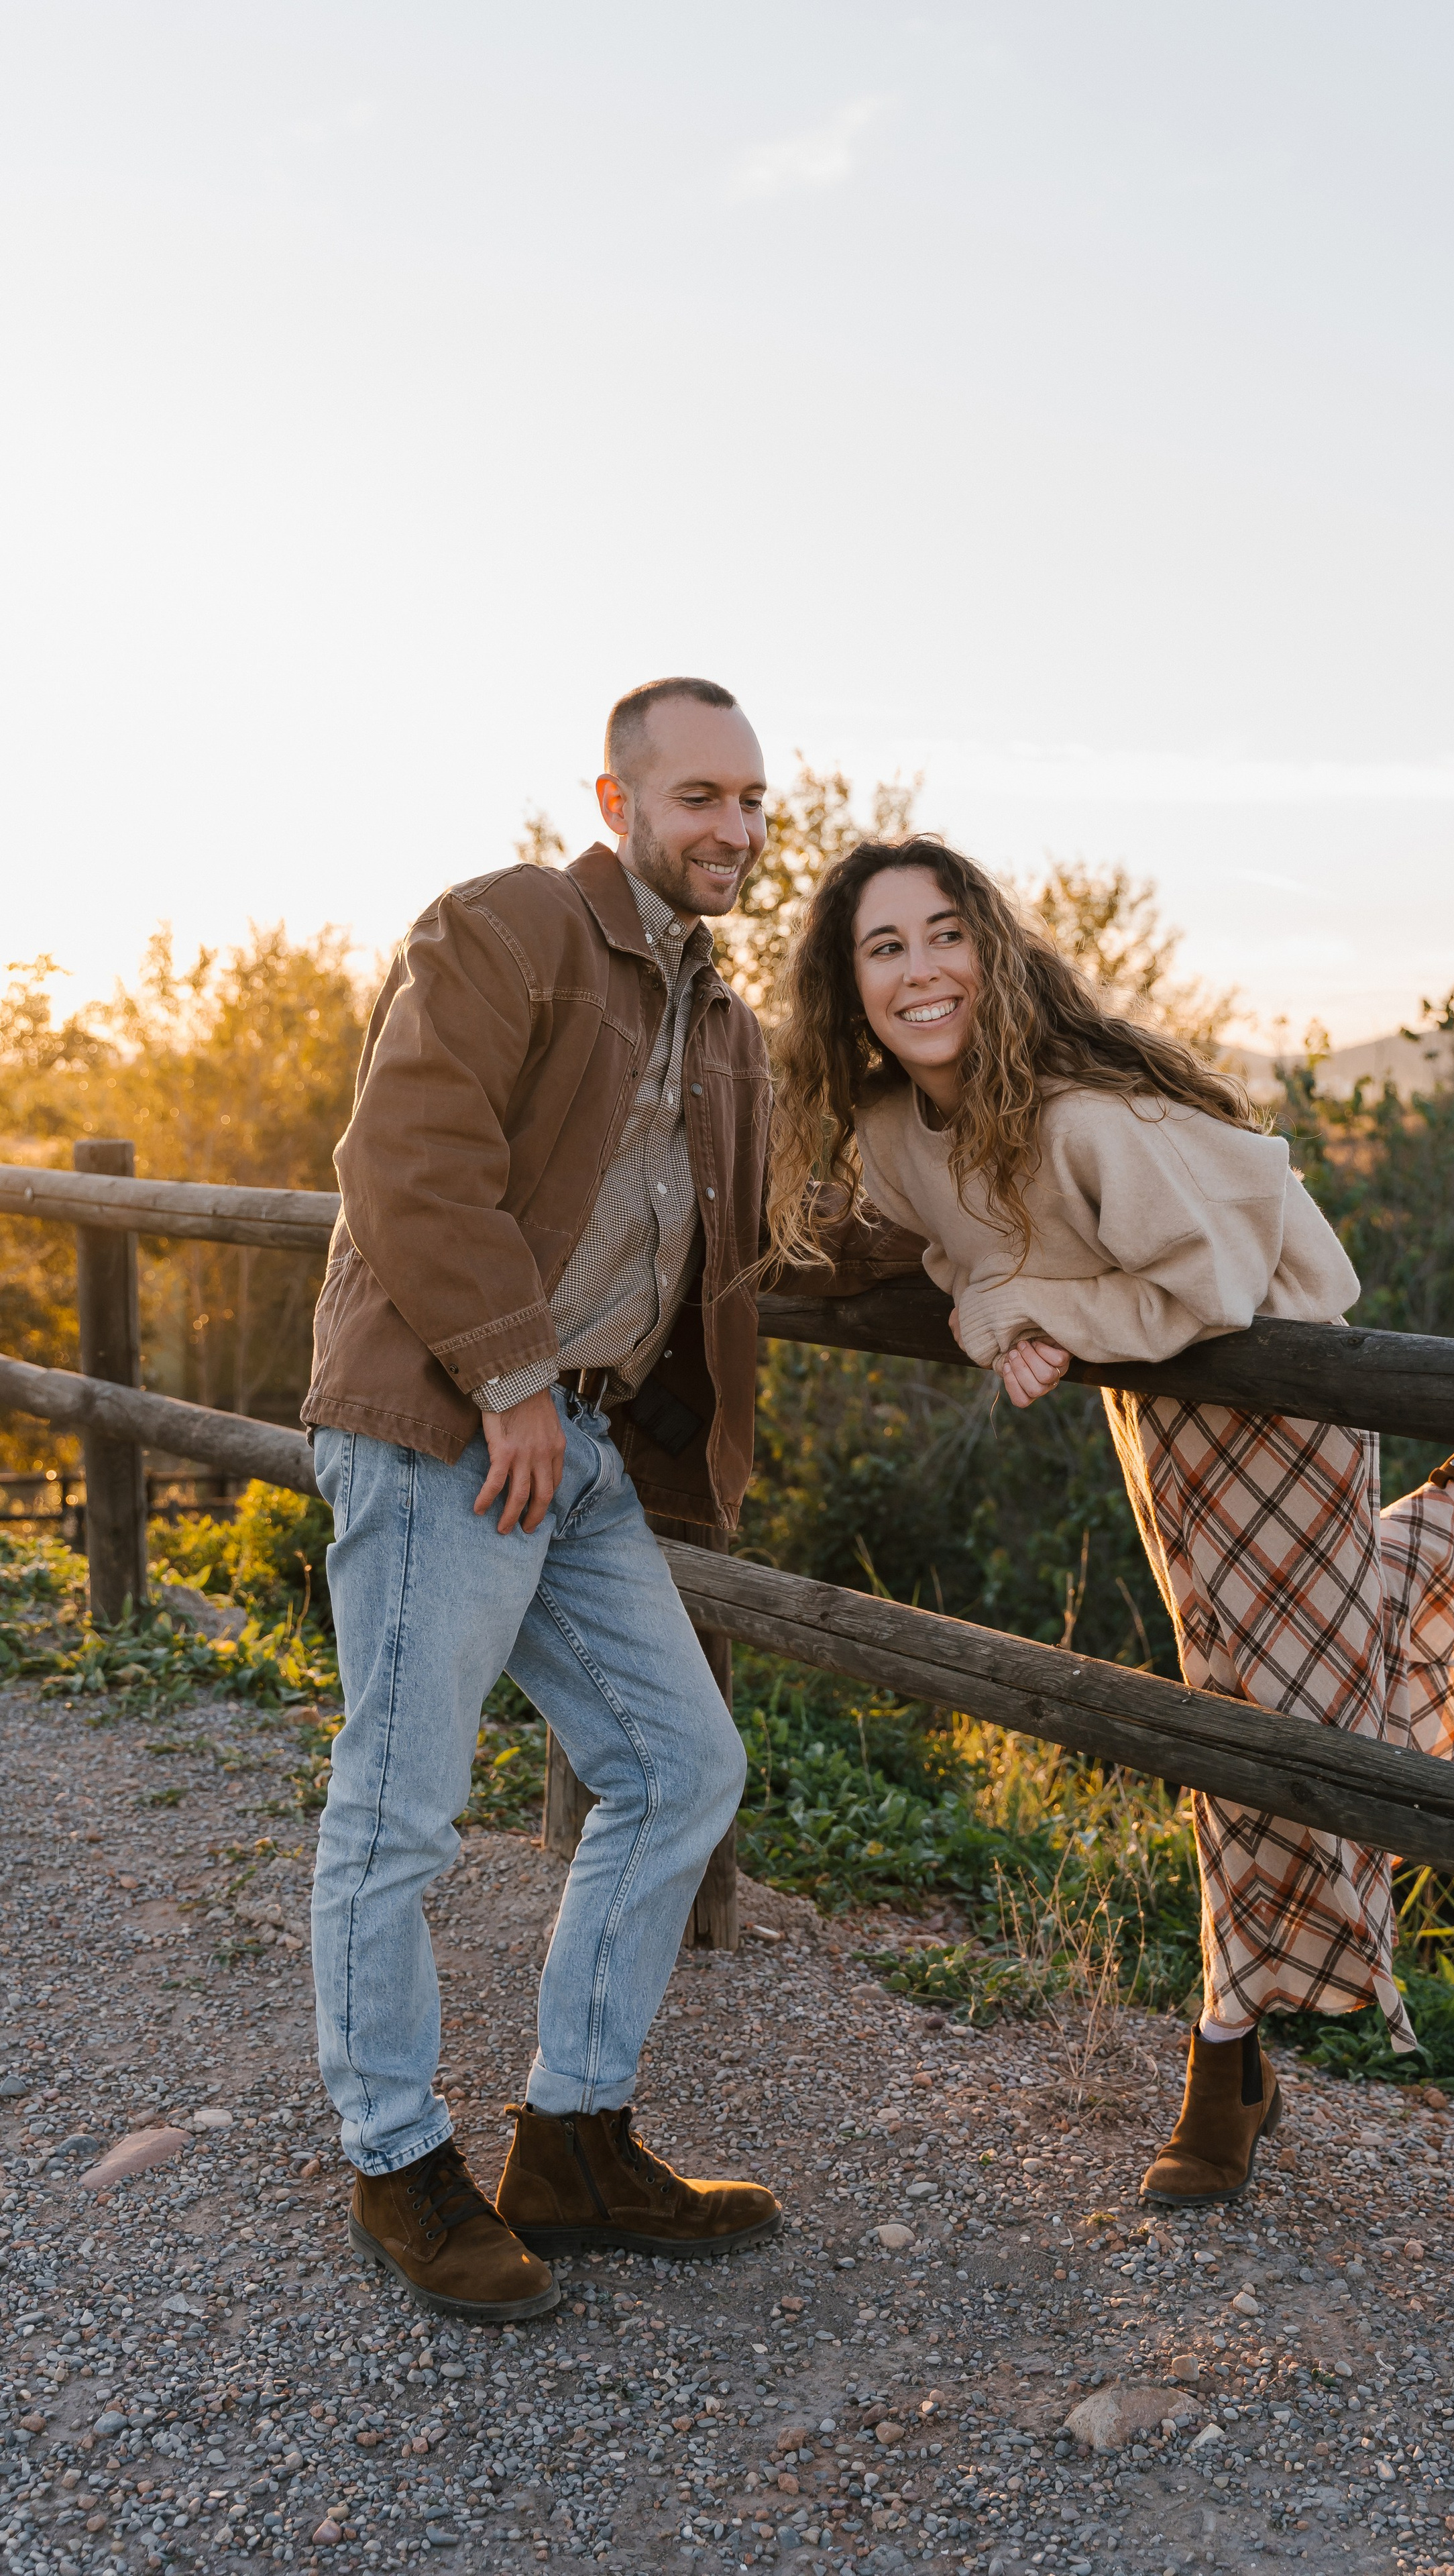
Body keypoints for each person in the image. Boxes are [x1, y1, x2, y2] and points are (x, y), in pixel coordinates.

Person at [767, 835, 1454, 2208]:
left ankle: (1223, 2061)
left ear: (990, 948)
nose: (919, 971)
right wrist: (985, 1303)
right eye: (882, 948)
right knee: (1274, 1689)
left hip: (1272, 1388)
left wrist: (1017, 1311)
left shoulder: (1081, 1110)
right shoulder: (887, 1131)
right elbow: (946, 1247)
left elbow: (1210, 1289)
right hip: (1155, 1416)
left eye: (942, 935)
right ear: (845, 984)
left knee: (1262, 1714)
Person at [300, 678, 917, 2319]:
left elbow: (780, 1236)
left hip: (573, 1459)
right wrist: (506, 1377)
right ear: (617, 796)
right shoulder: (508, 928)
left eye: (754, 803)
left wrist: (984, 1244)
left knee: (678, 1767)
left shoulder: (722, 1022)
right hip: (446, 1424)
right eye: (701, 796)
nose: (734, 829)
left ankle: (570, 2140)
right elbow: (406, 1157)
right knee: (402, 1804)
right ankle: (394, 2160)